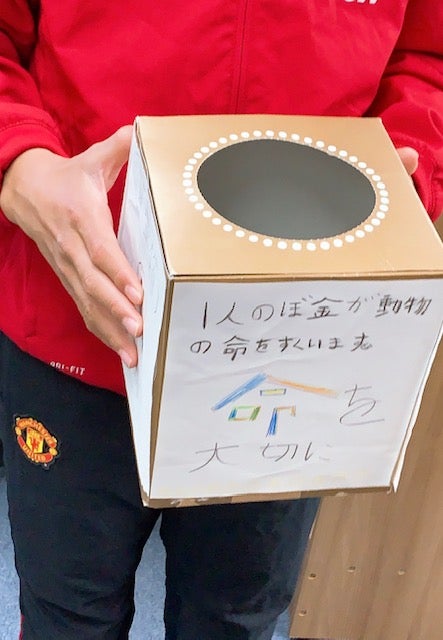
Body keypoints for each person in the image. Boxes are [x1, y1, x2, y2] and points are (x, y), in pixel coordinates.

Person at [0, 2, 441, 639]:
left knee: (235, 620)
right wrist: (19, 155)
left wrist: (409, 168)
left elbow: (427, 58)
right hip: (75, 315)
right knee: (66, 619)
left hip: (290, 351)